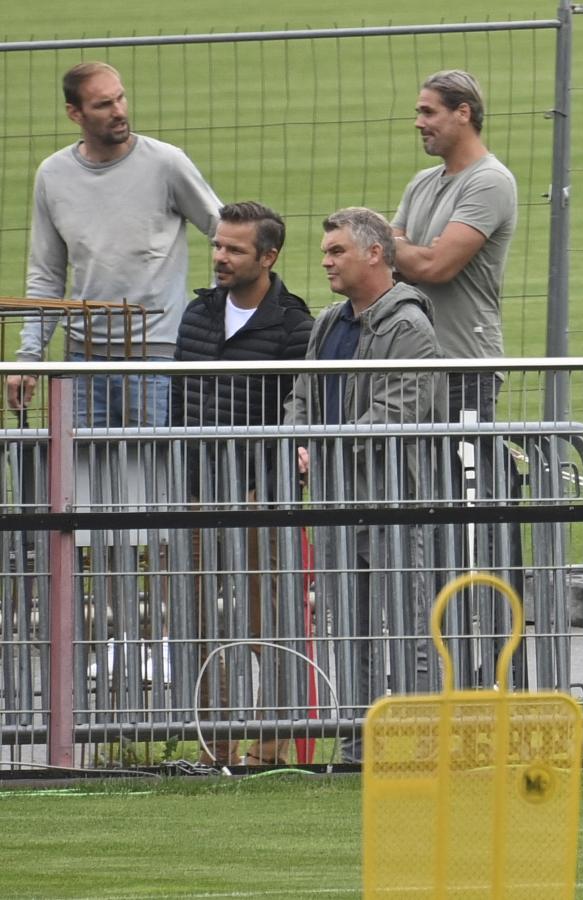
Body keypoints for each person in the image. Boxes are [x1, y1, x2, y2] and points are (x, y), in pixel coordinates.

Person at [284, 207, 444, 762]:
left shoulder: (409, 327)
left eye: (337, 252)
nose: (326, 261)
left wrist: (317, 447)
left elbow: (395, 414)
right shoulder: (330, 322)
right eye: (326, 252)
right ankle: (357, 746)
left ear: (375, 254)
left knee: (408, 627)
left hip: (393, 503)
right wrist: (298, 438)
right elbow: (301, 396)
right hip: (334, 503)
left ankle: (421, 743)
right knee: (347, 631)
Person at [173, 201, 313, 766]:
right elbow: (181, 404)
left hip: (261, 494)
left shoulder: (294, 325)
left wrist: (268, 483)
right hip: (199, 490)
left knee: (264, 621)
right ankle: (216, 745)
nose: (220, 257)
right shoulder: (197, 313)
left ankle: (272, 744)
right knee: (200, 620)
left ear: (268, 256)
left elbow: (301, 414)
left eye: (234, 248)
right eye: (217, 245)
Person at [9, 61, 220, 426]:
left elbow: (226, 232)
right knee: (80, 476)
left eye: (120, 98)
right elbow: (46, 275)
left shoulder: (166, 163)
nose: (119, 111)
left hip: (155, 356)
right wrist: (28, 358)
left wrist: (211, 316)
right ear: (74, 113)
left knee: (154, 475)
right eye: (104, 104)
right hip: (81, 360)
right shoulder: (53, 175)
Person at [391, 68, 516, 418]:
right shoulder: (421, 182)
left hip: (464, 365)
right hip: (411, 364)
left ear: (463, 113)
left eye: (428, 112)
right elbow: (388, 264)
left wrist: (402, 249)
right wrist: (411, 251)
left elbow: (436, 267)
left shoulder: (490, 181)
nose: (418, 122)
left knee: (466, 473)